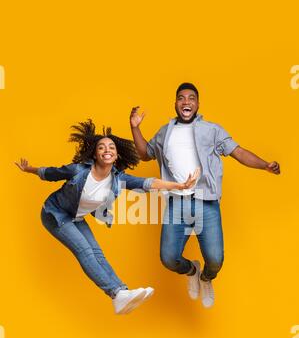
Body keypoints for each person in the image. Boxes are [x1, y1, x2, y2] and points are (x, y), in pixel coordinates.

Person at [15, 119, 199, 314]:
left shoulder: (118, 179)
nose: (107, 150)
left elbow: (149, 183)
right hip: (55, 214)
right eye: (101, 147)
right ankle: (116, 292)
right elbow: (51, 172)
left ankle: (122, 294)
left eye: (111, 147)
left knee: (97, 252)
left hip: (76, 216)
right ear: (95, 153)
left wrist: (180, 186)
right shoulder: (79, 171)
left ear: (116, 153)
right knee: (85, 251)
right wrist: (29, 169)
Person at [130, 82, 280, 308]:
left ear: (198, 104)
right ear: (175, 104)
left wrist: (265, 165)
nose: (186, 102)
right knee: (168, 259)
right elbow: (145, 154)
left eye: (191, 98)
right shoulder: (165, 132)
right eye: (181, 98)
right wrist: (135, 128)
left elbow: (238, 152)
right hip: (177, 203)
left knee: (216, 260)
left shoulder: (212, 130)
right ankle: (192, 270)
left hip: (206, 202)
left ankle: (206, 277)